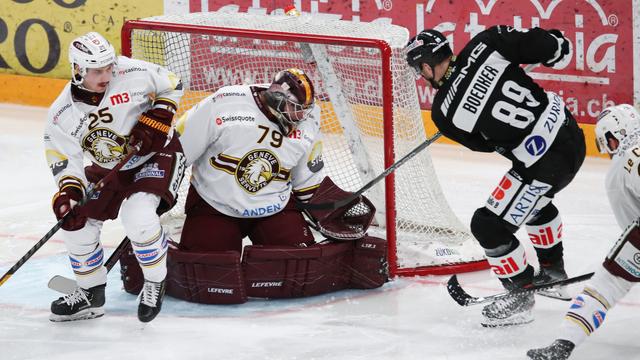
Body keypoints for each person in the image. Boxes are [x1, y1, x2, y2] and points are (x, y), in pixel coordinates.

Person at [118, 68, 387, 304]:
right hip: (215, 205)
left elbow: (306, 177)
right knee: (209, 274)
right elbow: (177, 152)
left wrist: (330, 205)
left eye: (305, 110)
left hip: (276, 207)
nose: (301, 116)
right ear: (276, 99)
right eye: (295, 109)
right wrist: (156, 195)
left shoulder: (308, 117)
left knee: (300, 265)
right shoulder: (223, 104)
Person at [404, 26, 586, 327]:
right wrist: (558, 44)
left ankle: (520, 294)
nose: (421, 76)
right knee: (534, 202)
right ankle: (554, 274)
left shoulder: (443, 113)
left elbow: (486, 145)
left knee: (488, 226)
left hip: (544, 163)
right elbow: (542, 45)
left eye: (419, 70)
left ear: (425, 65)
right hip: (571, 136)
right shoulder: (487, 43)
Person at [44, 32, 185, 323]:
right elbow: (63, 158)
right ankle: (90, 296)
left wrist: (158, 117)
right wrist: (69, 192)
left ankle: (155, 281)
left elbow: (173, 83)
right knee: (77, 226)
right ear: (77, 70)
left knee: (138, 217)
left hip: (154, 157)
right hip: (109, 167)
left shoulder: (132, 71)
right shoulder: (61, 114)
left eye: (109, 67)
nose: (107, 75)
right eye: (97, 71)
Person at [527, 104, 640, 360]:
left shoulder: (617, 172)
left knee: (605, 285)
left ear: (614, 136)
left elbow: (631, 227)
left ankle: (564, 343)